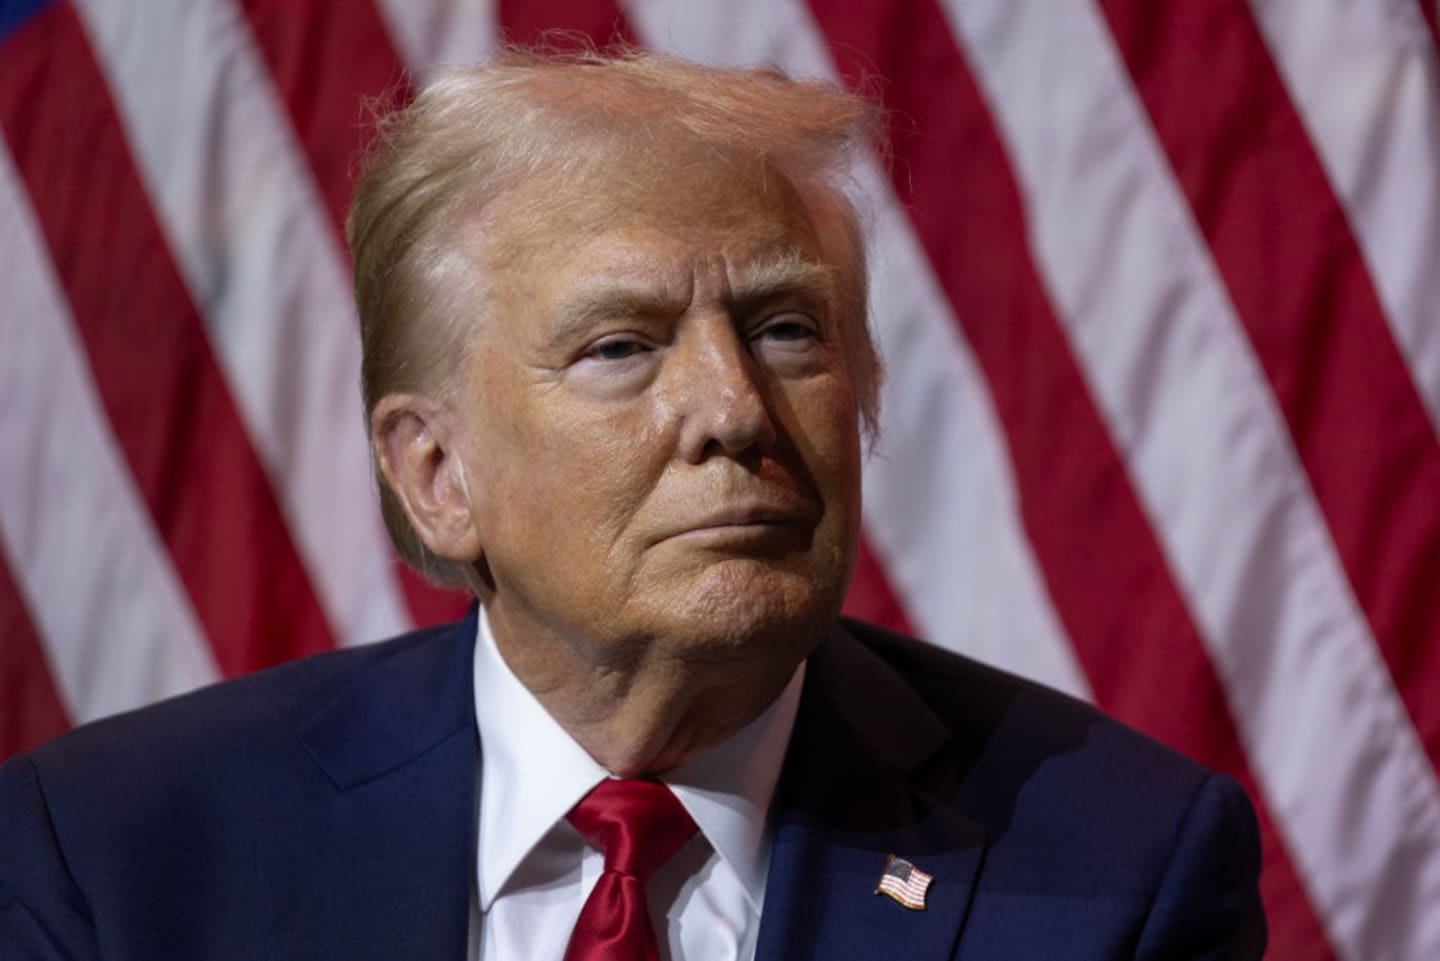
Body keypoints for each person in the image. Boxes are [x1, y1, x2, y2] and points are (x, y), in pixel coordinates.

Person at [0, 49, 1266, 960]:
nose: (733, 407)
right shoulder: (120, 858)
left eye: (784, 329)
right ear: (437, 475)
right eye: (620, 346)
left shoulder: (1121, 867)